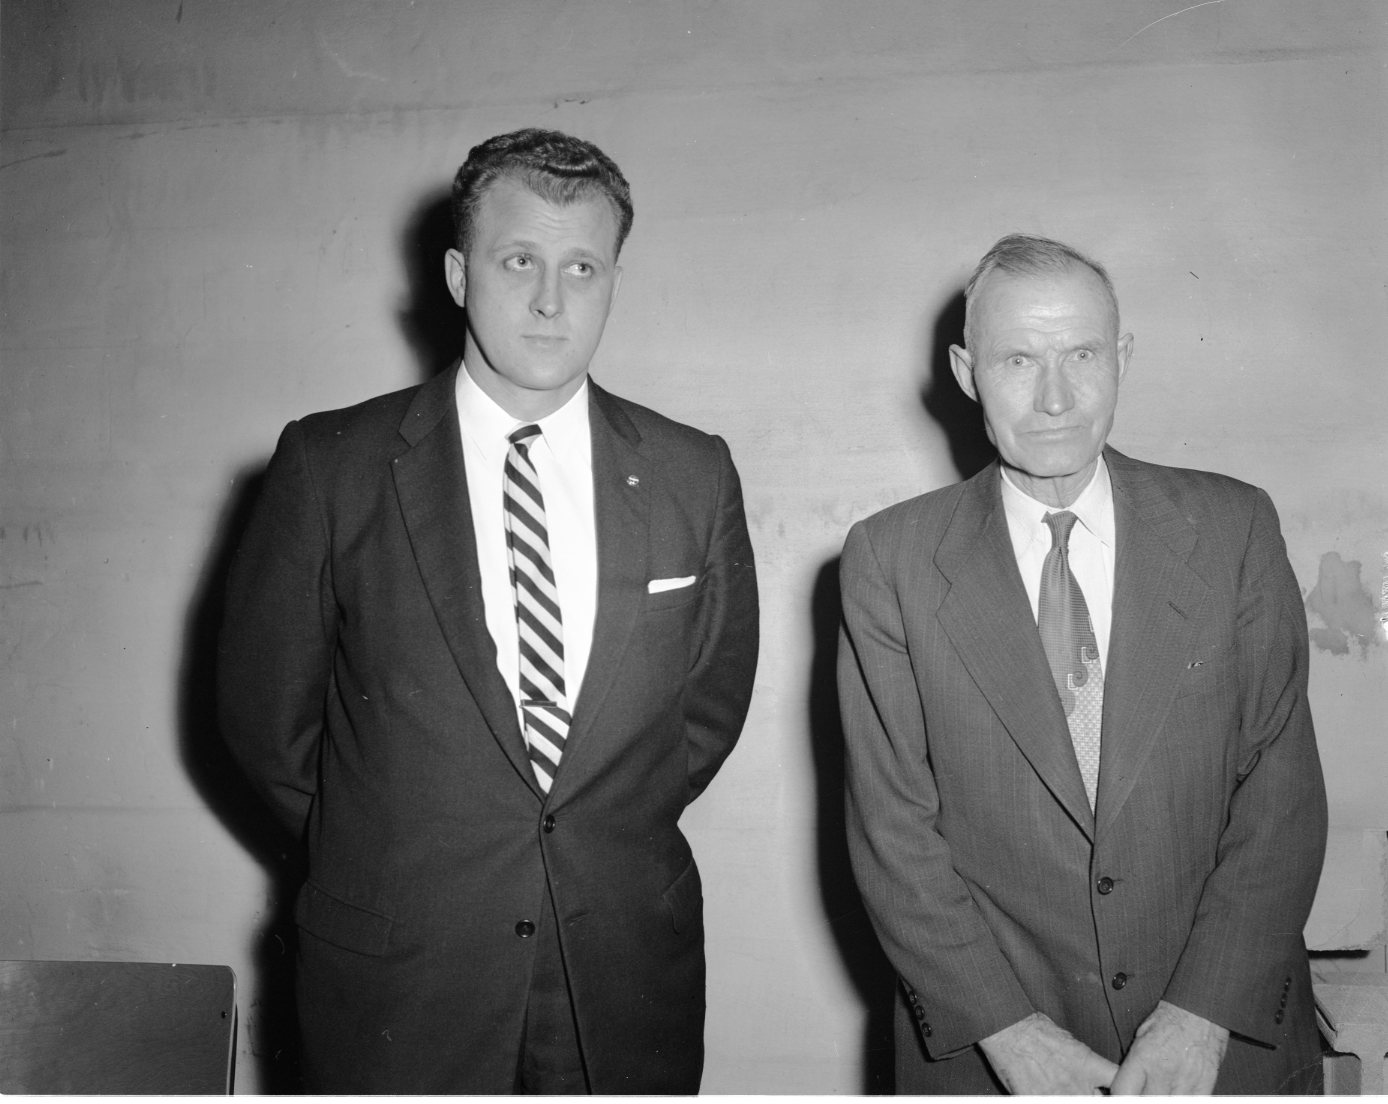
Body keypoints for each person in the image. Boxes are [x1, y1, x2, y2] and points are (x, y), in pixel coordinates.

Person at [217, 128, 759, 1094]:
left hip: (622, 977)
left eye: (582, 267)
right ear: (460, 275)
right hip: (401, 976)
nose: (552, 299)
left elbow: (705, 715)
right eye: (519, 261)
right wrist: (386, 842)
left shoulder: (694, 473)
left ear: (614, 281)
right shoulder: (330, 466)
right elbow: (268, 724)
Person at [837, 233, 1326, 1094]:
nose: (1055, 398)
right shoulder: (891, 560)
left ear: (1122, 359)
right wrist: (1009, 1036)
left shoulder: (1233, 529)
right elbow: (892, 830)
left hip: (1223, 1043)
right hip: (992, 1053)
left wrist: (1201, 1019)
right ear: (966, 373)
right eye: (1018, 360)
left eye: (1083, 355)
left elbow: (1281, 797)